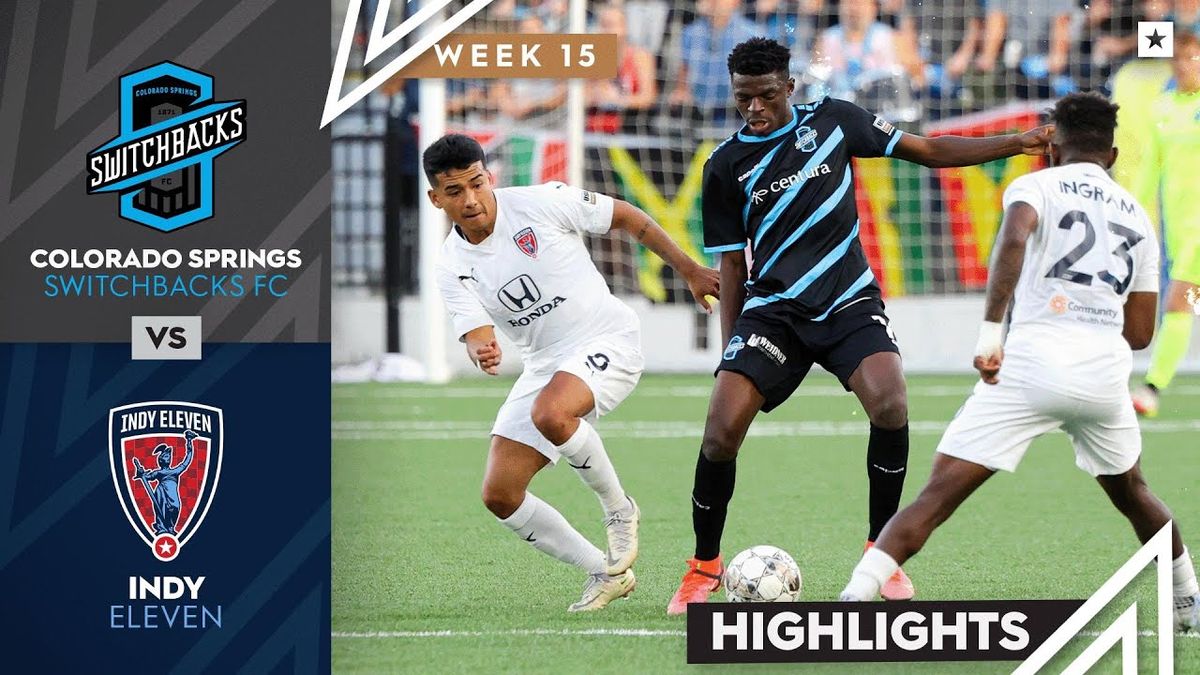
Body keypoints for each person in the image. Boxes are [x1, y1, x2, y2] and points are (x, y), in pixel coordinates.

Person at [666, 37, 1052, 615]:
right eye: (743, 98)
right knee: (720, 433)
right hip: (774, 311)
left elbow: (925, 149)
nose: (754, 108)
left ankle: (882, 554)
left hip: (847, 300)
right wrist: (731, 352)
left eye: (766, 96)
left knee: (891, 405)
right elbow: (730, 263)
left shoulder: (835, 121)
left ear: (789, 87)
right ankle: (703, 568)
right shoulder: (724, 165)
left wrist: (1017, 143)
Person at [838, 93, 1200, 634]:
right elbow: (1142, 333)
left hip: (1032, 365)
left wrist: (990, 334)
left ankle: (853, 598)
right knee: (1134, 494)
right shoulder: (1138, 220)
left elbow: (1013, 237)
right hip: (1105, 377)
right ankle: (1189, 602)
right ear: (1114, 152)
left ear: (1053, 143)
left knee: (936, 496)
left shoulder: (1035, 186)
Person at [427, 134, 719, 612]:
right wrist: (482, 348)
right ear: (435, 198)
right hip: (546, 364)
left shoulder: (542, 202)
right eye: (455, 191)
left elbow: (628, 216)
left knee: (551, 413)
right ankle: (603, 572)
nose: (471, 199)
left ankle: (619, 510)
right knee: (500, 494)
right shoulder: (450, 264)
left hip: (607, 339)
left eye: (476, 183)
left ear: (489, 176)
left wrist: (688, 269)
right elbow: (475, 329)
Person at [1130, 31, 1200, 417]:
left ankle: (1153, 387)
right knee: (1190, 301)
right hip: (1177, 228)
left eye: (1192, 58)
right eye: (1178, 59)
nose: (1184, 66)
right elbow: (1150, 168)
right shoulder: (1163, 108)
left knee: (1180, 297)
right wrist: (1132, 210)